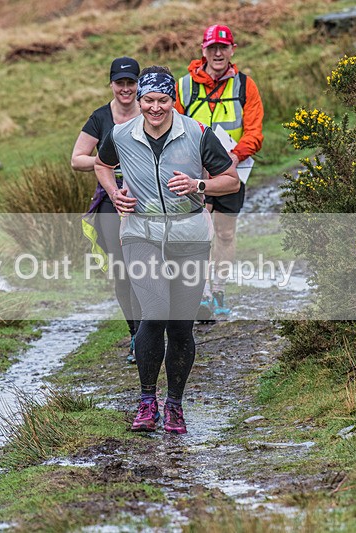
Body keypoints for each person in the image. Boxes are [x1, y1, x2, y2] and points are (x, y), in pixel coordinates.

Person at [94, 66, 240, 434]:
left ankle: (174, 404)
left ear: (172, 100)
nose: (155, 108)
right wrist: (115, 194)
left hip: (189, 235)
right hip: (140, 233)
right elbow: (101, 164)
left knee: (180, 325)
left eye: (162, 100)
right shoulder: (120, 134)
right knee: (155, 311)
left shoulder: (197, 133)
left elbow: (231, 180)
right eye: (148, 100)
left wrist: (198, 183)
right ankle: (146, 402)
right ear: (138, 100)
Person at [174, 24, 264, 319]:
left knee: (224, 233)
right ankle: (200, 295)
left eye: (223, 48)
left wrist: (234, 159)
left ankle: (219, 289)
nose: (217, 53)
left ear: (231, 51)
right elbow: (173, 126)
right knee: (199, 232)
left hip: (232, 170)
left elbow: (254, 133)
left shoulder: (245, 85)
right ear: (203, 50)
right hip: (194, 171)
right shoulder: (184, 85)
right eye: (212, 47)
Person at [72, 56, 142, 364]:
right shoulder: (101, 117)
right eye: (120, 83)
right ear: (111, 84)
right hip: (111, 201)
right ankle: (136, 336)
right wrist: (109, 160)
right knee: (122, 271)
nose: (125, 89)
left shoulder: (153, 110)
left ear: (138, 84)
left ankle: (154, 330)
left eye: (131, 82)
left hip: (149, 201)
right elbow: (77, 159)